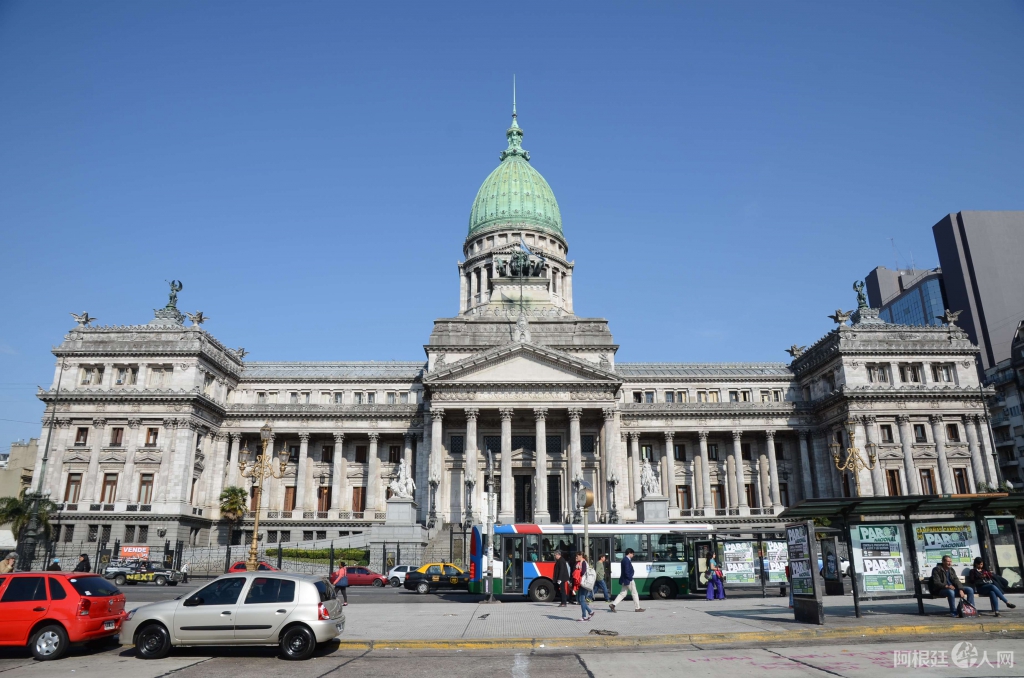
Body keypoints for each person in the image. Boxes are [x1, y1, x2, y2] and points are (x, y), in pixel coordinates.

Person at [609, 548, 644, 612]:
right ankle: (637, 608)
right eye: (632, 554)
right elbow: (626, 571)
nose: (633, 555)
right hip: (628, 580)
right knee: (634, 593)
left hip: (625, 580)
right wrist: (630, 578)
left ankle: (613, 605)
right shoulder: (627, 560)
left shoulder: (624, 560)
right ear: (629, 553)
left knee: (622, 594)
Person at [575, 553, 595, 622]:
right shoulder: (580, 563)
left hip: (584, 583)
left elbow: (583, 572)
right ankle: (590, 612)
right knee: (580, 600)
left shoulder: (583, 563)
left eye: (577, 556)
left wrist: (577, 571)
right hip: (582, 583)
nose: (576, 557)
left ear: (581, 556)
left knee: (582, 600)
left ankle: (584, 616)